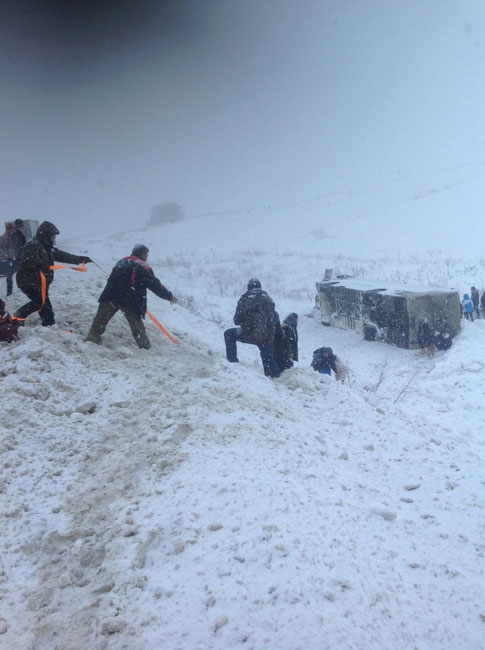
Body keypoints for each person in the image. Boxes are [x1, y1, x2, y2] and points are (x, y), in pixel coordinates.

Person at [85, 244, 177, 349]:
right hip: (130, 299)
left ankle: (93, 338)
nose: (147, 257)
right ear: (142, 254)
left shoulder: (122, 261)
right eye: (146, 254)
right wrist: (168, 296)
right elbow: (155, 284)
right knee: (137, 326)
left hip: (110, 295)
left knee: (100, 320)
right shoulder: (143, 266)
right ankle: (145, 347)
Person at [14, 221, 92, 326]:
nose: (54, 238)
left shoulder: (46, 247)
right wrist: (41, 265)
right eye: (52, 235)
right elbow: (29, 263)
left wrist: (80, 259)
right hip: (29, 282)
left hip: (39, 282)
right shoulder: (33, 246)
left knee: (41, 303)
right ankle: (28, 318)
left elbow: (62, 256)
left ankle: (31, 318)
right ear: (45, 235)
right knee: (43, 305)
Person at [224, 278, 280, 378]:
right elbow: (274, 317)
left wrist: (248, 324)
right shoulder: (268, 298)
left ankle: (233, 362)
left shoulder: (244, 299)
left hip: (249, 334)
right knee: (268, 356)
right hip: (266, 336)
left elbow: (237, 320)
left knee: (228, 334)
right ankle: (273, 375)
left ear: (249, 287)